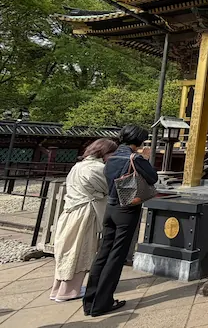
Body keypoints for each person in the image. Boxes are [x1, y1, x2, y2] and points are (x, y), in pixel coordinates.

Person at [83, 125, 158, 317]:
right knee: (117, 256)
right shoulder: (135, 158)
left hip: (110, 207)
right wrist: (145, 159)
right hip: (127, 208)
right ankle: (103, 302)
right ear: (139, 140)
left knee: (103, 253)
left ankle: (90, 301)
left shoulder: (111, 158)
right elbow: (152, 177)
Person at [50, 138, 119, 302]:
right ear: (105, 153)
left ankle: (58, 289)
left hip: (70, 211)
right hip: (85, 213)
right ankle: (69, 291)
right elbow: (110, 188)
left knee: (66, 250)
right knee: (80, 250)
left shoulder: (78, 166)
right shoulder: (97, 169)